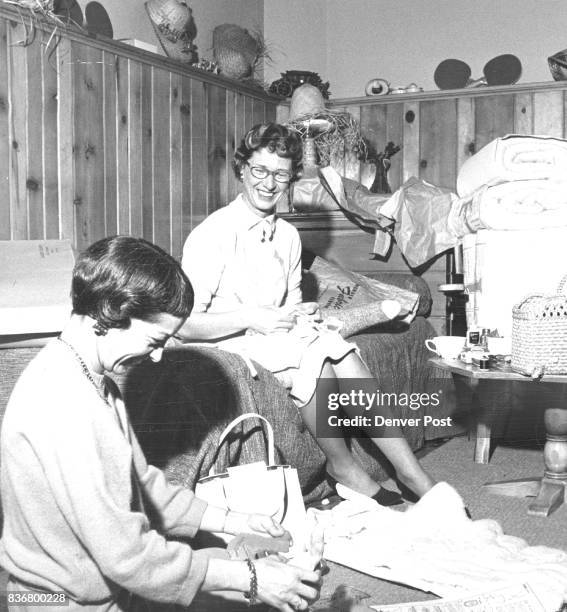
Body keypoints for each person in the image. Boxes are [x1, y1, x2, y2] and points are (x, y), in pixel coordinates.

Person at [0, 235, 321, 611]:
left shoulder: (90, 378)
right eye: (155, 340)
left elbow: (143, 485)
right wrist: (249, 579)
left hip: (94, 584)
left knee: (236, 573)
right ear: (112, 310)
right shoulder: (65, 405)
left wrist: (235, 520)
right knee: (245, 586)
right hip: (53, 600)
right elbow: (129, 557)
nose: (156, 358)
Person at [180, 123, 436, 506]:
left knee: (338, 347)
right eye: (259, 171)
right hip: (225, 343)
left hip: (271, 336)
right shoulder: (213, 234)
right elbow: (184, 326)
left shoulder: (287, 235)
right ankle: (345, 468)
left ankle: (409, 472)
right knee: (311, 354)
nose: (268, 183)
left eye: (280, 175)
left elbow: (290, 304)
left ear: (291, 178)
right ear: (241, 170)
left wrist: (302, 312)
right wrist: (252, 317)